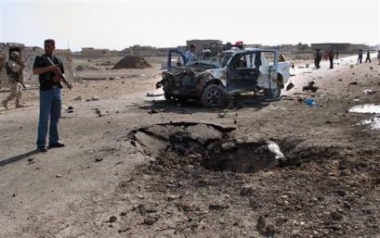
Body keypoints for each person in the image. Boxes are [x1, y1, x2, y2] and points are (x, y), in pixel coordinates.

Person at [33, 39, 68, 152]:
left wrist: (58, 77)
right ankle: (41, 144)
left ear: (54, 47)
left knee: (55, 117)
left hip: (57, 90)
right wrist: (50, 68)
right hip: (46, 91)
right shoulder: (40, 59)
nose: (46, 48)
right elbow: (35, 71)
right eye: (45, 46)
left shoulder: (58, 60)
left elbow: (62, 72)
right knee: (44, 118)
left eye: (49, 46)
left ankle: (54, 141)